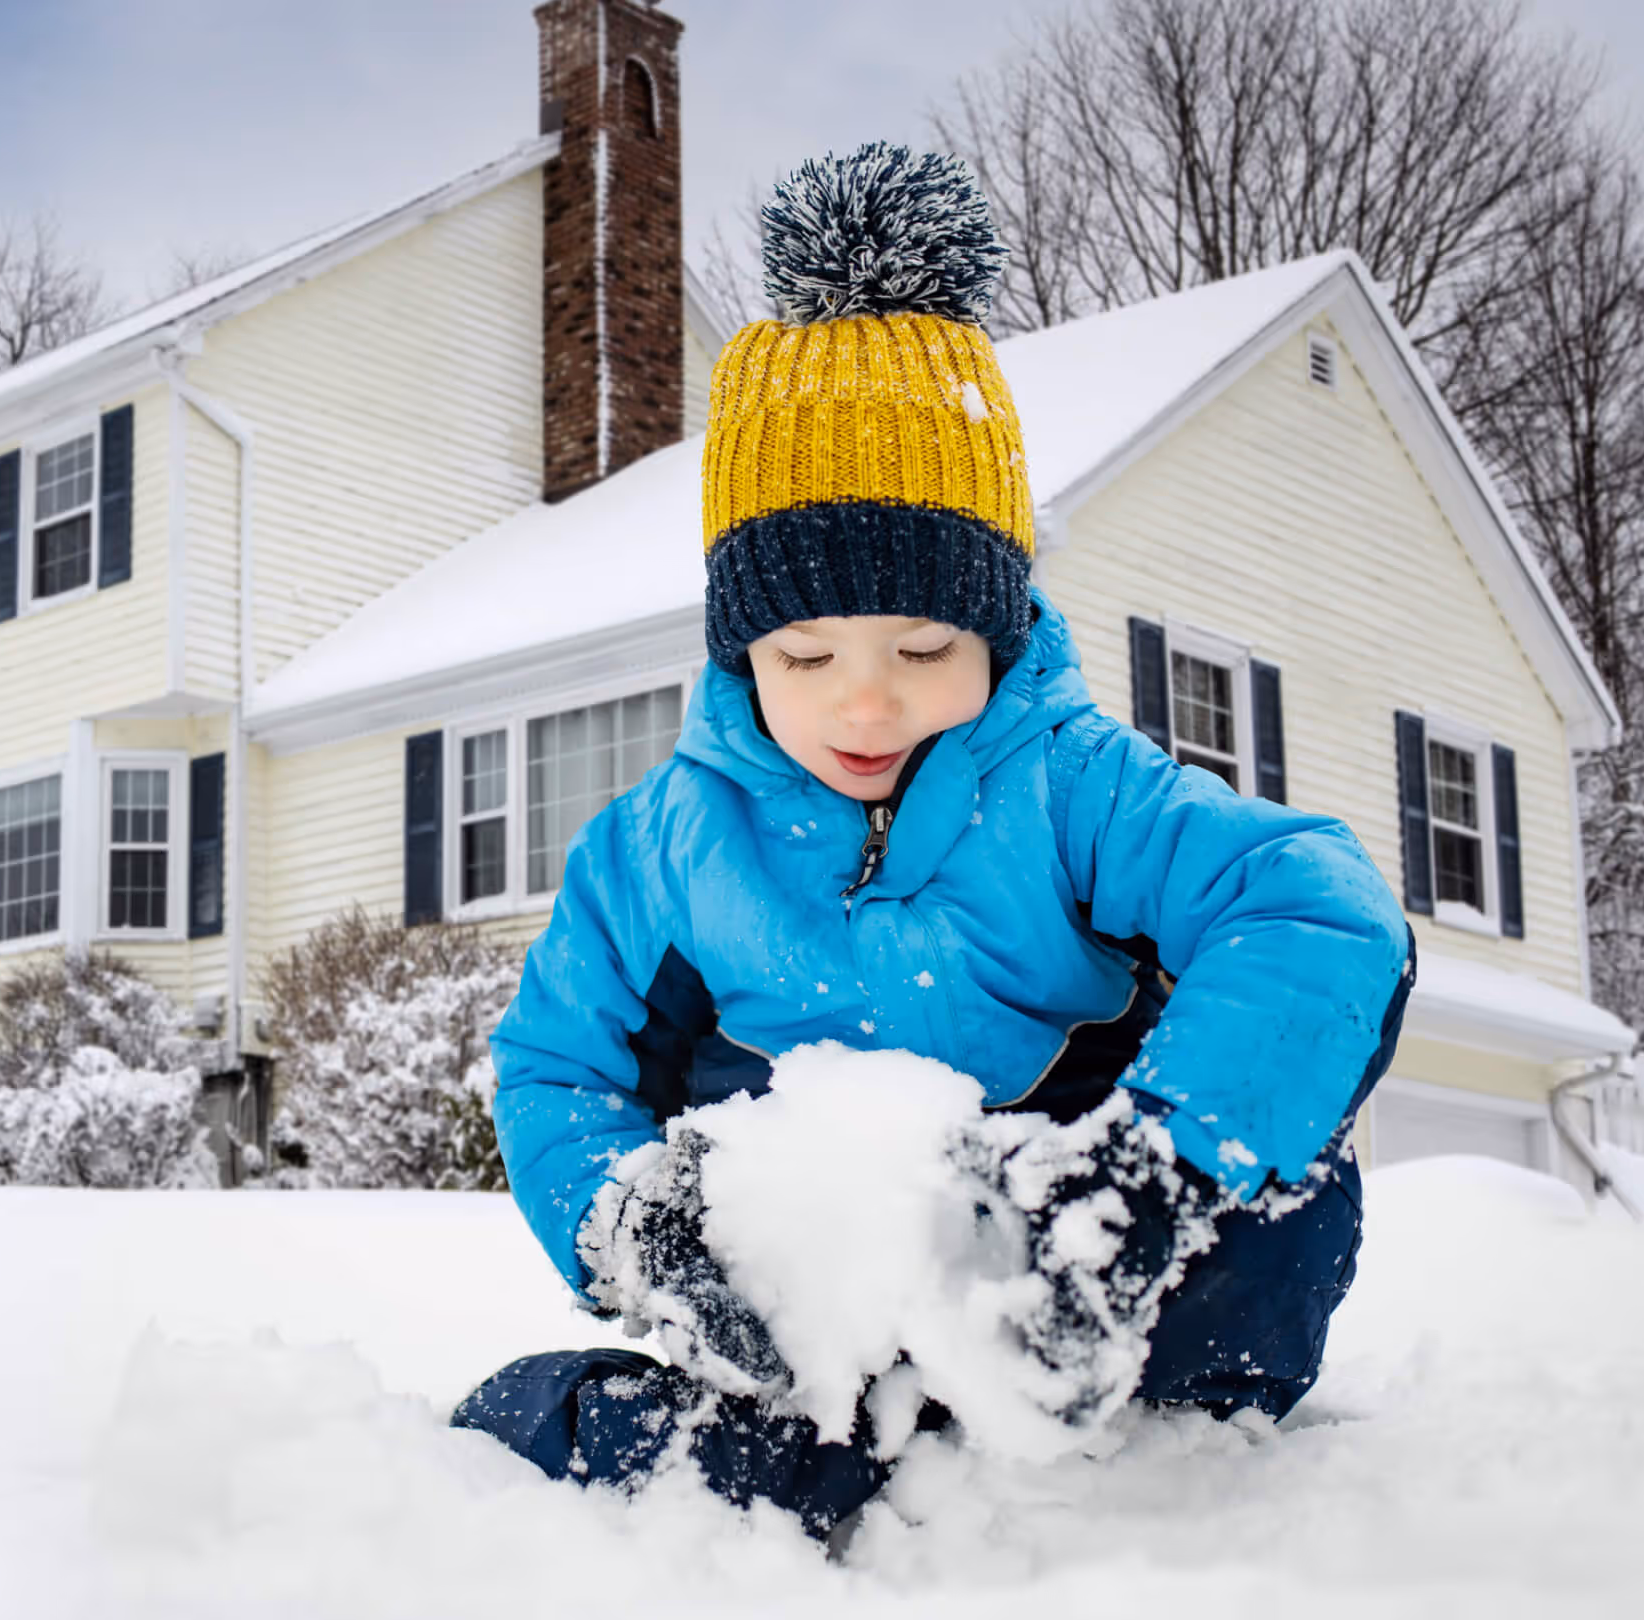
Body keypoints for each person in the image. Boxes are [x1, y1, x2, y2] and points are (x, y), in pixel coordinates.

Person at [449, 144, 1416, 1539]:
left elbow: (1319, 915)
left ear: (998, 627)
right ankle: (656, 1441)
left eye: (920, 642)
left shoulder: (1073, 787)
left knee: (1292, 1162)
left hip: (1085, 1277)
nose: (864, 697)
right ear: (739, 651)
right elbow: (557, 1067)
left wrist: (1143, 1179)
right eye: (803, 650)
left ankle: (1167, 1465)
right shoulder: (657, 854)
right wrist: (639, 1224)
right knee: (759, 1479)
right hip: (828, 1311)